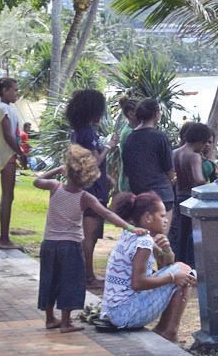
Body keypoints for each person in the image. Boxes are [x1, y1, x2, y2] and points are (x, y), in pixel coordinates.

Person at [36, 145, 144, 333]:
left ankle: (49, 318)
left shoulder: (54, 187)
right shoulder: (85, 197)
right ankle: (65, 322)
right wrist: (130, 227)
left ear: (67, 169)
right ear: (89, 177)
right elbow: (107, 214)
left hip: (49, 244)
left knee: (49, 280)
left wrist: (58, 169)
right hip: (70, 245)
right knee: (69, 281)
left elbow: (37, 181)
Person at [101, 192, 195, 342]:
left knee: (181, 269)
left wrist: (167, 249)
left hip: (114, 312)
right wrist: (172, 277)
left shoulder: (133, 234)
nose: (165, 220)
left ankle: (164, 329)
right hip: (125, 314)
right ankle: (169, 331)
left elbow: (167, 264)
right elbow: (138, 283)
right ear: (148, 218)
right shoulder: (143, 242)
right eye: (162, 216)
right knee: (185, 273)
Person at [64, 88, 112, 292]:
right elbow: (93, 160)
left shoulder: (78, 131)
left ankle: (86, 273)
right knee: (89, 235)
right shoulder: (88, 133)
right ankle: (88, 276)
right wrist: (109, 146)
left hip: (89, 187)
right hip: (93, 189)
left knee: (88, 234)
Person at [0, 77, 24, 250]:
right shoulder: (3, 109)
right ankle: (4, 239)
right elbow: (8, 136)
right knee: (7, 196)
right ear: (5, 91)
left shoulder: (7, 108)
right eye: (14, 90)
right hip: (6, 156)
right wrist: (20, 153)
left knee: (9, 196)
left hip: (9, 156)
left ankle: (5, 237)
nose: (17, 93)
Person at [170, 122, 213, 266]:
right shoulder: (193, 156)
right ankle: (191, 266)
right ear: (201, 140)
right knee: (192, 236)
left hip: (178, 197)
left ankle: (178, 264)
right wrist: (211, 187)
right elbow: (198, 179)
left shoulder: (175, 152)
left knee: (181, 236)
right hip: (192, 198)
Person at [121, 99, 175, 208]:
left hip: (140, 194)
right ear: (156, 114)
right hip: (162, 194)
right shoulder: (159, 137)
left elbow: (128, 169)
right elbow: (169, 168)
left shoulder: (129, 137)